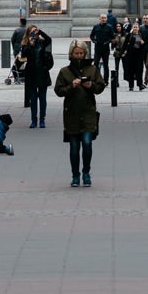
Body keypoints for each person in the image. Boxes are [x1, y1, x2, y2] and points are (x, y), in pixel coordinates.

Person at [54, 41, 106, 187]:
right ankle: (75, 175)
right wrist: (71, 86)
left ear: (85, 54)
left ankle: (86, 172)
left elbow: (100, 86)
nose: (78, 56)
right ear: (71, 54)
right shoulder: (65, 71)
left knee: (87, 143)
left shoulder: (92, 69)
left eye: (81, 53)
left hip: (88, 112)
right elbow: (58, 91)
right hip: (72, 114)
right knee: (74, 147)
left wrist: (91, 86)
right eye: (76, 53)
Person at [21, 26, 54, 128]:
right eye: (32, 32)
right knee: (33, 99)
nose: (34, 34)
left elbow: (49, 40)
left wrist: (41, 32)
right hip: (31, 74)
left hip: (42, 74)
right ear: (28, 34)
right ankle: (33, 120)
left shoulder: (42, 42)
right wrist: (30, 45)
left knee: (42, 99)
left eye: (35, 32)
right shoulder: (26, 44)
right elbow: (23, 55)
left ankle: (42, 120)